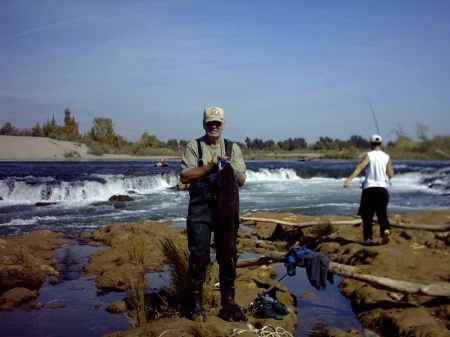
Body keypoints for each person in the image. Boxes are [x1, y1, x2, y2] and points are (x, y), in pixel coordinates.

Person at [180, 107, 247, 322]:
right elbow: (186, 176)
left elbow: (242, 180)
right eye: (210, 123)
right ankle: (196, 303)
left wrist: (228, 169)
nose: (214, 126)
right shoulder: (194, 147)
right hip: (201, 209)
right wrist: (210, 168)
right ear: (204, 125)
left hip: (227, 209)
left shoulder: (233, 148)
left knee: (228, 254)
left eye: (218, 123)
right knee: (199, 255)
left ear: (224, 125)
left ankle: (228, 301)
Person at [343, 134, 394, 245]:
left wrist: (349, 179)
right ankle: (386, 230)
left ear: (370, 144)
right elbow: (391, 174)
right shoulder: (387, 156)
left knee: (367, 215)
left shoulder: (369, 155)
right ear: (381, 144)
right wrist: (387, 174)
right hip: (382, 189)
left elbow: (361, 166)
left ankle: (368, 239)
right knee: (382, 214)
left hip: (369, 189)